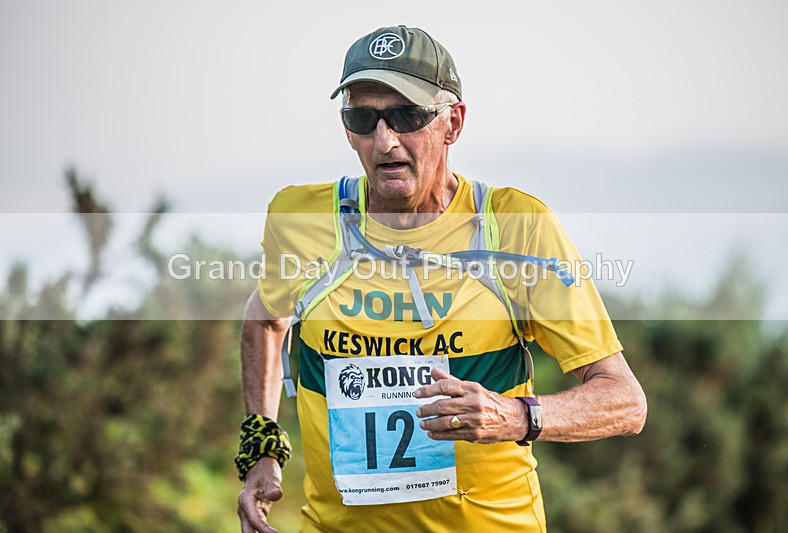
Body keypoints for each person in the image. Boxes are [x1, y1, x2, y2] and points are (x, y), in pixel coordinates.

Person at [236, 25, 647, 533]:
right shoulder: (300, 218)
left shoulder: (518, 227)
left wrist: (513, 416)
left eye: (408, 116)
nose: (384, 140)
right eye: (363, 117)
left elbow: (624, 401)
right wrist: (262, 447)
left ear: (453, 123)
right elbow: (265, 319)